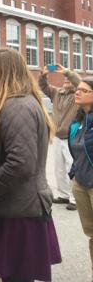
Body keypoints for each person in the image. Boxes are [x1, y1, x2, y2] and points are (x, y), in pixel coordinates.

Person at [0, 48, 61, 282]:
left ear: (2, 72)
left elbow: (20, 165)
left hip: (18, 212)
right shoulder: (12, 103)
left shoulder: (17, 106)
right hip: (14, 207)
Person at [39, 64, 80, 211]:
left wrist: (68, 72)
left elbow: (79, 82)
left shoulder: (78, 94)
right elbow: (43, 87)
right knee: (59, 168)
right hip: (56, 136)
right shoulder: (57, 93)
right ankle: (63, 194)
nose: (67, 82)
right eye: (65, 80)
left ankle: (75, 198)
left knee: (72, 168)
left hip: (71, 137)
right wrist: (43, 74)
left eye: (69, 80)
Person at [68, 77, 93, 281]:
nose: (78, 92)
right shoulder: (77, 122)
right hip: (81, 185)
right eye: (77, 89)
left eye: (84, 90)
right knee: (92, 234)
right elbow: (78, 152)